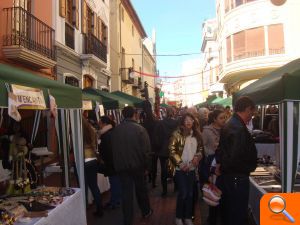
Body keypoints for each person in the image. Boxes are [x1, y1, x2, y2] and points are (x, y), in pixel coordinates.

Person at [216, 96, 257, 225]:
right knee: (236, 214)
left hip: (232, 177)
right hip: (236, 179)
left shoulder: (232, 123)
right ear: (247, 109)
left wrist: (220, 166)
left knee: (231, 213)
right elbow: (233, 157)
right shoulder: (237, 127)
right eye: (252, 111)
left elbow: (223, 151)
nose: (253, 114)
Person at [112, 106, 153, 225]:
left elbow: (113, 149)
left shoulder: (116, 130)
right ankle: (146, 211)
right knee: (141, 190)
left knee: (126, 194)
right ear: (134, 115)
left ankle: (127, 219)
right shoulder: (140, 129)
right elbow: (146, 151)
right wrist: (147, 167)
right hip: (138, 166)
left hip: (122, 167)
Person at [169, 113, 203, 225]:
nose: (188, 121)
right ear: (183, 121)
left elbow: (200, 149)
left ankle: (188, 217)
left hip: (192, 169)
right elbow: (171, 150)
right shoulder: (176, 134)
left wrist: (197, 157)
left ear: (194, 121)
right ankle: (178, 217)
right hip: (180, 170)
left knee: (190, 194)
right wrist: (181, 164)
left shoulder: (197, 134)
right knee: (183, 193)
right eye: (186, 119)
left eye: (191, 119)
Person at [201, 109, 226, 225]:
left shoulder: (227, 130)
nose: (223, 120)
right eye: (221, 118)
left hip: (223, 164)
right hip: (211, 165)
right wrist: (212, 150)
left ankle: (221, 216)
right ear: (215, 119)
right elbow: (201, 147)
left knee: (223, 190)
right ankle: (212, 217)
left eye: (224, 117)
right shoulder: (207, 131)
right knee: (214, 190)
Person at [82, 113, 103, 217]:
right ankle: (100, 208)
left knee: (84, 186)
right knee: (94, 186)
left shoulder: (78, 130)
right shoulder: (91, 128)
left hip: (83, 160)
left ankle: (84, 210)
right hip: (93, 158)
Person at [98, 116, 121, 210]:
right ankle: (115, 200)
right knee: (116, 182)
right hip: (116, 161)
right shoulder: (113, 131)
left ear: (104, 123)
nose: (99, 124)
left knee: (114, 182)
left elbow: (107, 151)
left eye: (100, 122)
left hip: (111, 163)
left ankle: (114, 202)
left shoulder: (105, 135)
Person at [154, 107, 178, 196]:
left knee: (163, 170)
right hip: (174, 149)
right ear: (174, 113)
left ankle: (164, 191)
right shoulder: (176, 123)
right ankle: (176, 188)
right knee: (175, 168)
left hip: (163, 150)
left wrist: (159, 146)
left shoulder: (161, 123)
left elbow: (156, 136)